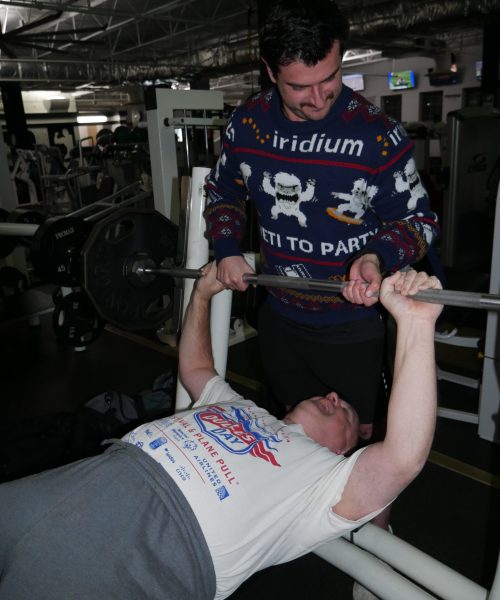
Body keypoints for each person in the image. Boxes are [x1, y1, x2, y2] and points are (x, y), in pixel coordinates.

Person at [0, 261, 442, 600]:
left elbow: (402, 457)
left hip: (156, 541)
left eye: (344, 410)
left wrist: (415, 324)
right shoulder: (241, 407)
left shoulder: (324, 485)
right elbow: (194, 367)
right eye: (333, 396)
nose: (331, 396)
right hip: (91, 476)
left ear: (349, 449)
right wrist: (203, 293)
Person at [204, 0, 439, 440]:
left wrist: (376, 255)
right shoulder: (246, 125)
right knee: (287, 440)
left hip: (352, 330)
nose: (318, 98)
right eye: (299, 87)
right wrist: (227, 249)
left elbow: (420, 221)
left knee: (363, 450)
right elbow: (223, 190)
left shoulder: (377, 135)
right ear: (270, 71)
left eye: (329, 78)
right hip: (279, 318)